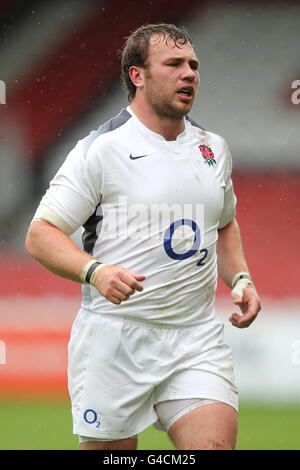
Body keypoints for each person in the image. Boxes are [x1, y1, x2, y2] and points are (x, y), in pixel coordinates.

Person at [25, 23, 261, 450]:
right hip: (115, 340)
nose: (189, 73)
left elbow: (224, 222)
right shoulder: (101, 149)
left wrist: (241, 279)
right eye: (174, 64)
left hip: (195, 338)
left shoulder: (214, 149)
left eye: (193, 65)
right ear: (138, 75)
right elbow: (41, 234)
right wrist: (94, 272)